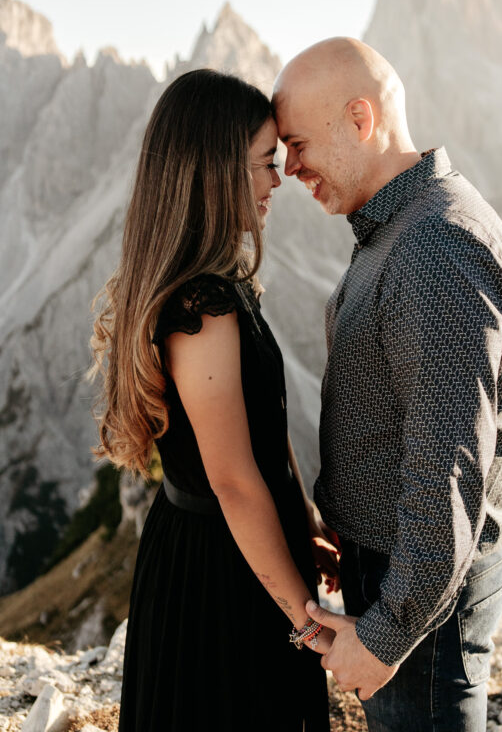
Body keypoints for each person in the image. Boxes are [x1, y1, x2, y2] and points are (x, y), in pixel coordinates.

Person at [273, 38, 502, 732]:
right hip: (400, 569)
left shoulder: (433, 246)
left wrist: (388, 633)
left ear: (360, 118)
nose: (289, 166)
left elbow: (447, 471)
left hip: (422, 588)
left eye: (298, 143)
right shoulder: (397, 227)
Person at [90, 68, 337, 731]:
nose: (277, 180)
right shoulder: (204, 307)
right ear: (218, 170)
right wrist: (305, 622)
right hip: (220, 569)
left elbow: (263, 424)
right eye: (263, 163)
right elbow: (230, 479)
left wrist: (303, 519)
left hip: (227, 545)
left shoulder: (216, 285)